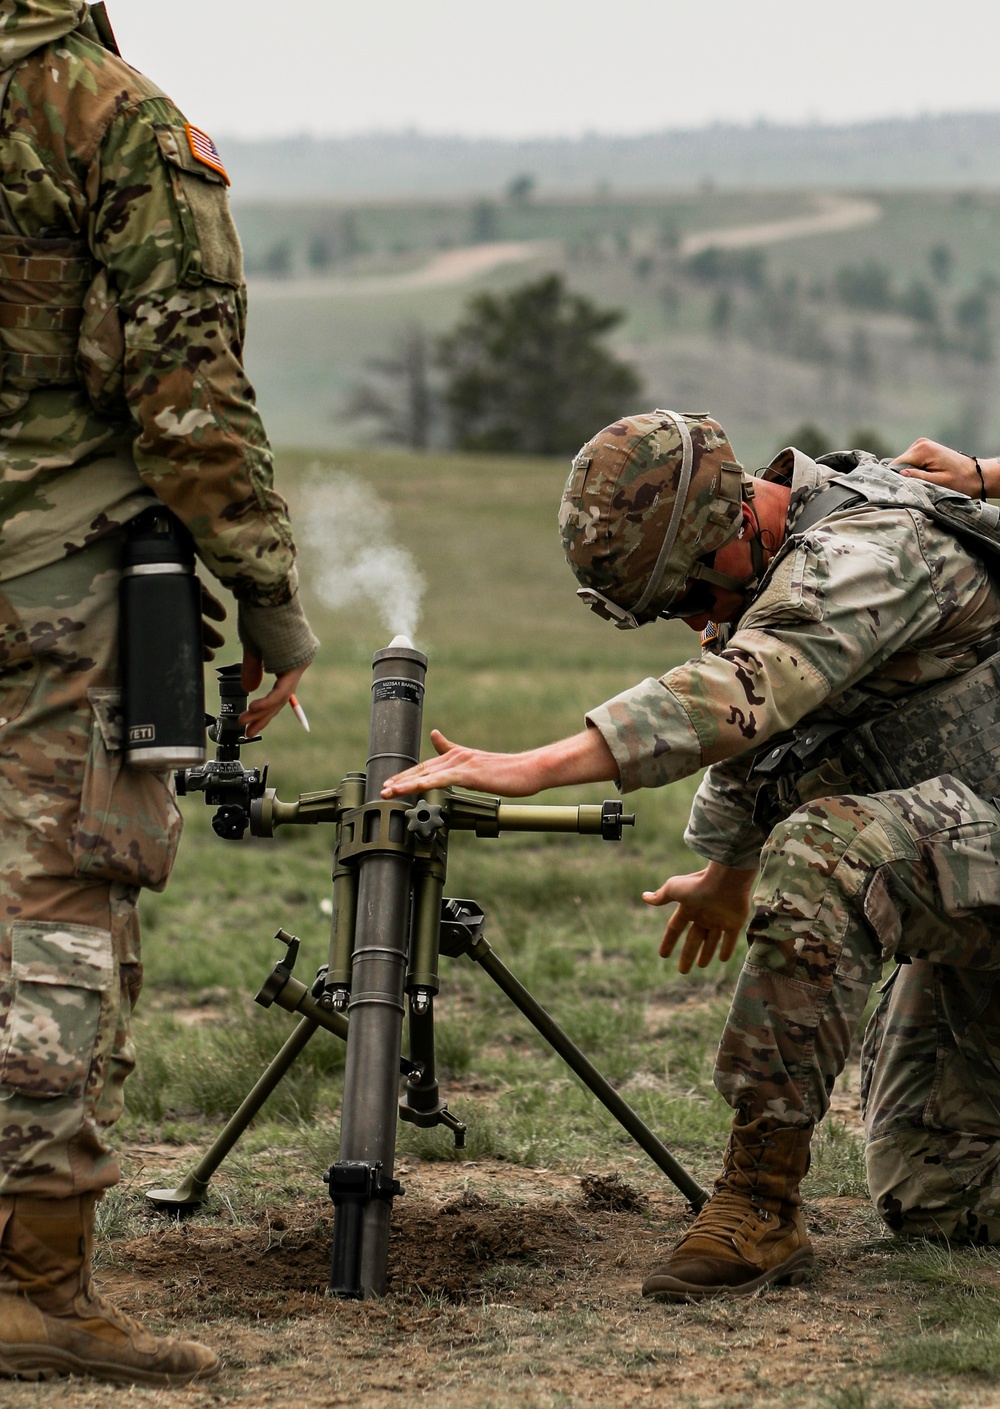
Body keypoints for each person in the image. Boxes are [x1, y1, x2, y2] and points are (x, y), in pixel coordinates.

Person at [382, 408, 1000, 1301]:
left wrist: (539, 763)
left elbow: (747, 687)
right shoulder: (778, 565)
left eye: (685, 599)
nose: (688, 624)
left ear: (739, 528)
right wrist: (726, 873)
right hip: (973, 866)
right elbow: (773, 724)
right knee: (941, 1199)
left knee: (831, 852)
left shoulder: (870, 549)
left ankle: (758, 1205)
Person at [0, 1, 317, 1384]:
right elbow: (187, 386)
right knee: (64, 898)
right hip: (59, 580)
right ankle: (36, 1278)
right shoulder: (106, 115)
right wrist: (267, 591)